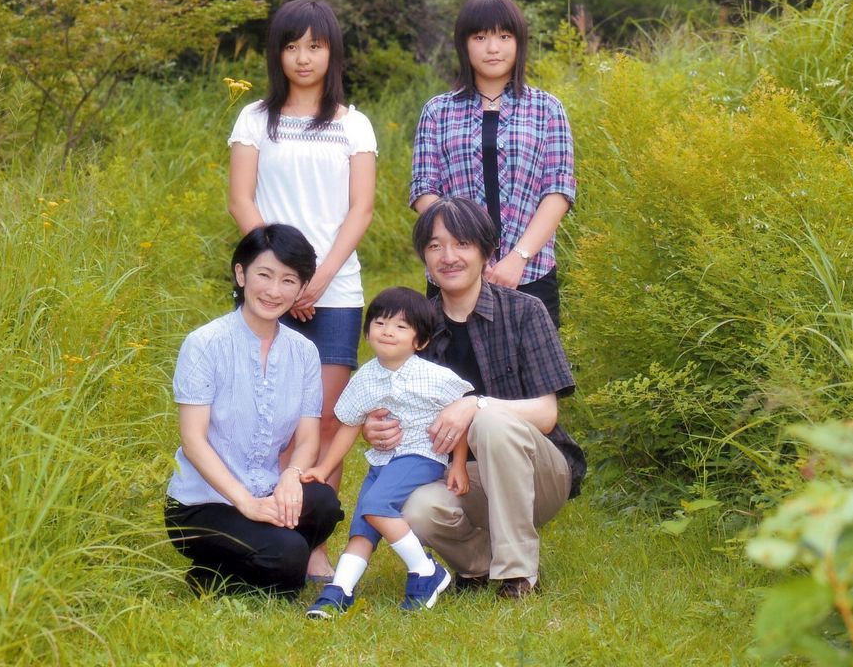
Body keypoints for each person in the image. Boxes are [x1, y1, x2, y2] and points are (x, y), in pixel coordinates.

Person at [365, 198, 585, 599]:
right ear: (425, 257)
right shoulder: (416, 329)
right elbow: (390, 404)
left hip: (539, 475)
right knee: (417, 509)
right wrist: (377, 427)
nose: (448, 257)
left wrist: (475, 404)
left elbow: (546, 414)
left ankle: (517, 575)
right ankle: (478, 565)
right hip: (465, 478)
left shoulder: (525, 311)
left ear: (485, 250)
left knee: (489, 420)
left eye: (461, 244)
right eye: (435, 246)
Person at [228, 0, 377, 579]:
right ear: (278, 54)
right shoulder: (253, 119)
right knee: (266, 415)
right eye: (291, 46)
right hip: (269, 291)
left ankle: (313, 542)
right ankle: (261, 529)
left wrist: (314, 281)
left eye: (315, 46)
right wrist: (280, 279)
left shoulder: (352, 124)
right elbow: (243, 200)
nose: (303, 57)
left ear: (332, 51)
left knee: (326, 420)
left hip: (335, 292)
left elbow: (360, 210)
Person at [164, 224, 344, 598]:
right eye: (264, 275)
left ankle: (244, 568)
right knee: (290, 556)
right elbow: (193, 441)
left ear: (301, 288)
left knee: (324, 503)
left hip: (267, 490)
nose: (274, 290)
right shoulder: (204, 344)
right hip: (202, 505)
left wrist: (291, 477)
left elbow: (309, 437)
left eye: (289, 280)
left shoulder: (303, 352)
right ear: (241, 273)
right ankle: (224, 570)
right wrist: (246, 504)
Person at [301, 287, 473, 618]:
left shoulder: (433, 375)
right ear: (367, 332)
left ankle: (425, 571)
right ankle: (340, 591)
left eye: (400, 326)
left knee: (377, 506)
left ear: (420, 342)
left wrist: (459, 464)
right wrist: (323, 469)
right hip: (382, 462)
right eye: (380, 323)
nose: (388, 331)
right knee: (363, 524)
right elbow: (349, 426)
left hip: (422, 455)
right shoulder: (365, 378)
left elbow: (461, 417)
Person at [409, 0, 575, 327]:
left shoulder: (547, 109)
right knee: (453, 377)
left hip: (531, 273)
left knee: (535, 378)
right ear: (464, 45)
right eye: (480, 37)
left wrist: (517, 258)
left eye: (504, 36)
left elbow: (557, 192)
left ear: (519, 42)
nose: (493, 48)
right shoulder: (438, 110)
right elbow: (424, 190)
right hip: (453, 273)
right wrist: (466, 253)